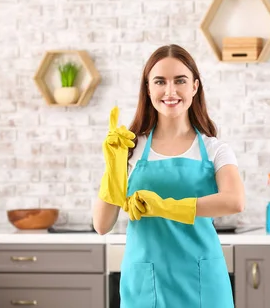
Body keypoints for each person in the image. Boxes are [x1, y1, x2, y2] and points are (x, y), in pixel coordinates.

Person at [92, 44, 244, 308]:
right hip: (146, 282)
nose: (170, 91)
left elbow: (234, 201)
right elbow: (102, 225)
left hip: (202, 280)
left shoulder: (213, 149)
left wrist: (166, 207)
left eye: (180, 81)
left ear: (195, 87)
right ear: (148, 88)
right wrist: (113, 167)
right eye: (160, 81)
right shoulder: (129, 148)